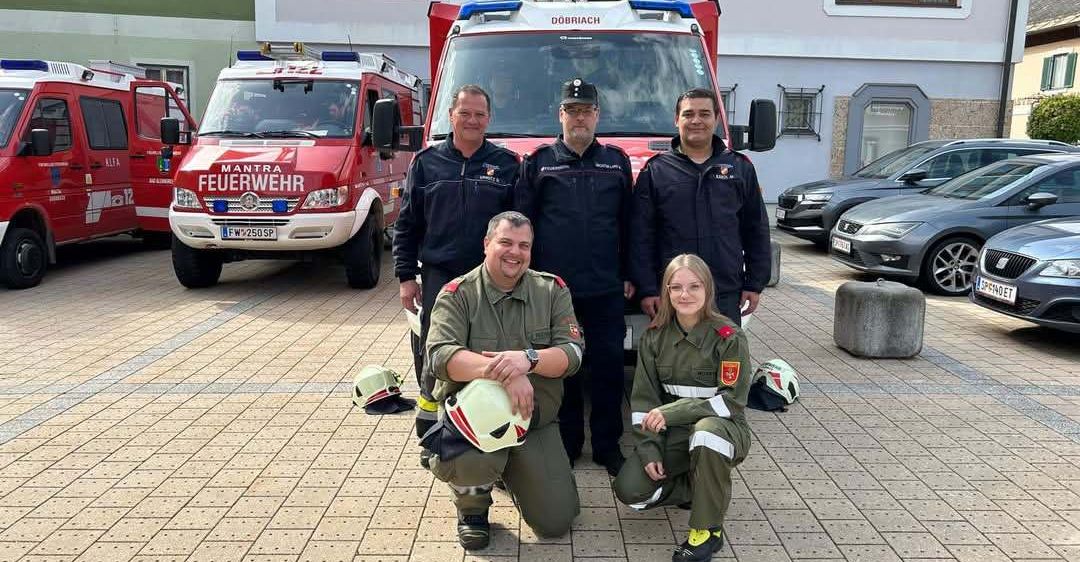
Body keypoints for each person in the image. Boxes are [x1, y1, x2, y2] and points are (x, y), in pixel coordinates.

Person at [425, 211, 584, 550]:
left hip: (533, 421)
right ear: (486, 244)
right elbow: (440, 356)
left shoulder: (551, 290)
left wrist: (527, 360)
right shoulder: (458, 293)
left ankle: (513, 473)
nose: (515, 252)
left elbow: (572, 353)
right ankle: (472, 509)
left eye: (524, 245)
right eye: (506, 242)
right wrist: (505, 373)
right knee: (472, 460)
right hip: (475, 422)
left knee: (556, 521)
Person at [394, 85, 520, 463]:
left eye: (480, 114)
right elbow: (407, 224)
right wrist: (405, 277)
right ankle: (432, 432)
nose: (472, 120)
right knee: (437, 352)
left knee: (485, 350)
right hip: (441, 276)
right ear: (451, 116)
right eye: (465, 113)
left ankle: (482, 427)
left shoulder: (507, 164)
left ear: (489, 119)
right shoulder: (426, 163)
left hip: (490, 279)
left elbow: (520, 226)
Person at [515, 78, 633, 476]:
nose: (579, 117)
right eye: (572, 110)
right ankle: (566, 444)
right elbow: (523, 226)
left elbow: (629, 224)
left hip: (605, 286)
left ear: (597, 115)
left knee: (608, 367)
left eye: (586, 110)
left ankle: (607, 446)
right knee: (561, 369)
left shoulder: (616, 162)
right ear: (560, 115)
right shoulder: (539, 162)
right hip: (555, 290)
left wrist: (631, 274)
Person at [613, 254, 752, 562]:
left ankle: (706, 531)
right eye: (676, 287)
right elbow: (644, 402)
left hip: (724, 428)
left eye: (694, 286)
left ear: (708, 289)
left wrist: (672, 413)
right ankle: (700, 488)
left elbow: (730, 401)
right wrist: (649, 449)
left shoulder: (729, 337)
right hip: (674, 434)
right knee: (630, 491)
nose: (684, 294)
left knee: (706, 433)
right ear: (666, 292)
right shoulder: (654, 337)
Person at [629, 88, 771, 326]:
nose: (696, 120)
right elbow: (641, 235)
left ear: (717, 119)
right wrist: (647, 288)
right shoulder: (656, 170)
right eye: (688, 114)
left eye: (704, 114)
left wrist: (755, 283)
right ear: (677, 120)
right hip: (674, 294)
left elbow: (756, 229)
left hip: (724, 293)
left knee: (725, 350)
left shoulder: (740, 168)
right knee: (674, 351)